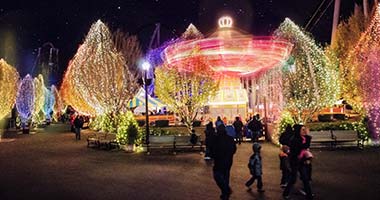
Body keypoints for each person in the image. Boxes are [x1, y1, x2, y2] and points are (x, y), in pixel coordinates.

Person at [283, 124, 314, 200]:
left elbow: (305, 147)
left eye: (304, 129)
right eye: (302, 130)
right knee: (293, 179)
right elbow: (303, 147)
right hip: (295, 161)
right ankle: (286, 193)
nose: (304, 131)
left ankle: (309, 194)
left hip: (301, 161)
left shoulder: (303, 138)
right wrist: (308, 138)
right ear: (298, 131)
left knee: (305, 178)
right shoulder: (294, 139)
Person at [212, 124, 237, 200]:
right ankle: (225, 193)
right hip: (228, 161)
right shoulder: (230, 139)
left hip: (219, 161)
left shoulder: (216, 139)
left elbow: (213, 150)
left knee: (217, 175)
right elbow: (234, 149)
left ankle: (226, 190)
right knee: (226, 176)